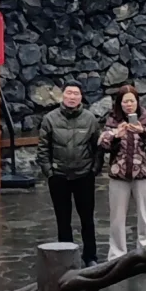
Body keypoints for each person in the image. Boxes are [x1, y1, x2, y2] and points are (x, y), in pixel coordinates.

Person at [38, 83, 102, 264]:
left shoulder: (90, 119)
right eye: (69, 93)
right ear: (63, 95)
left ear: (81, 97)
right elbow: (43, 148)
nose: (72, 97)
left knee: (87, 219)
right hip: (59, 176)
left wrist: (94, 170)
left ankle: (90, 256)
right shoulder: (50, 119)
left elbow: (98, 147)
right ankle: (66, 258)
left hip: (84, 175)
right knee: (63, 220)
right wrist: (49, 172)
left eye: (76, 93)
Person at [99, 85, 146, 259]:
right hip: (119, 176)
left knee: (145, 217)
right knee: (117, 219)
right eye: (125, 101)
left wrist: (143, 131)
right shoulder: (113, 120)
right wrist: (115, 135)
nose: (128, 104)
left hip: (143, 175)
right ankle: (116, 256)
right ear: (119, 103)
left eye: (131, 101)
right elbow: (102, 143)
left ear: (137, 101)